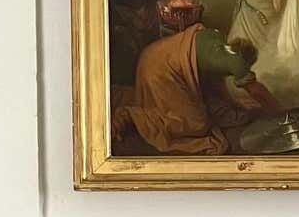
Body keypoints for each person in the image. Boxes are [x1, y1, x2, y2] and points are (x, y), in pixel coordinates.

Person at [113, 16, 280, 155]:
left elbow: (211, 85)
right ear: (245, 58)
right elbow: (257, 91)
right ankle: (130, 115)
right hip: (159, 72)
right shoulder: (236, 61)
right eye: (248, 66)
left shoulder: (216, 39)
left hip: (150, 56)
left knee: (216, 109)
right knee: (196, 125)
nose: (246, 69)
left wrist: (234, 104)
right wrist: (279, 112)